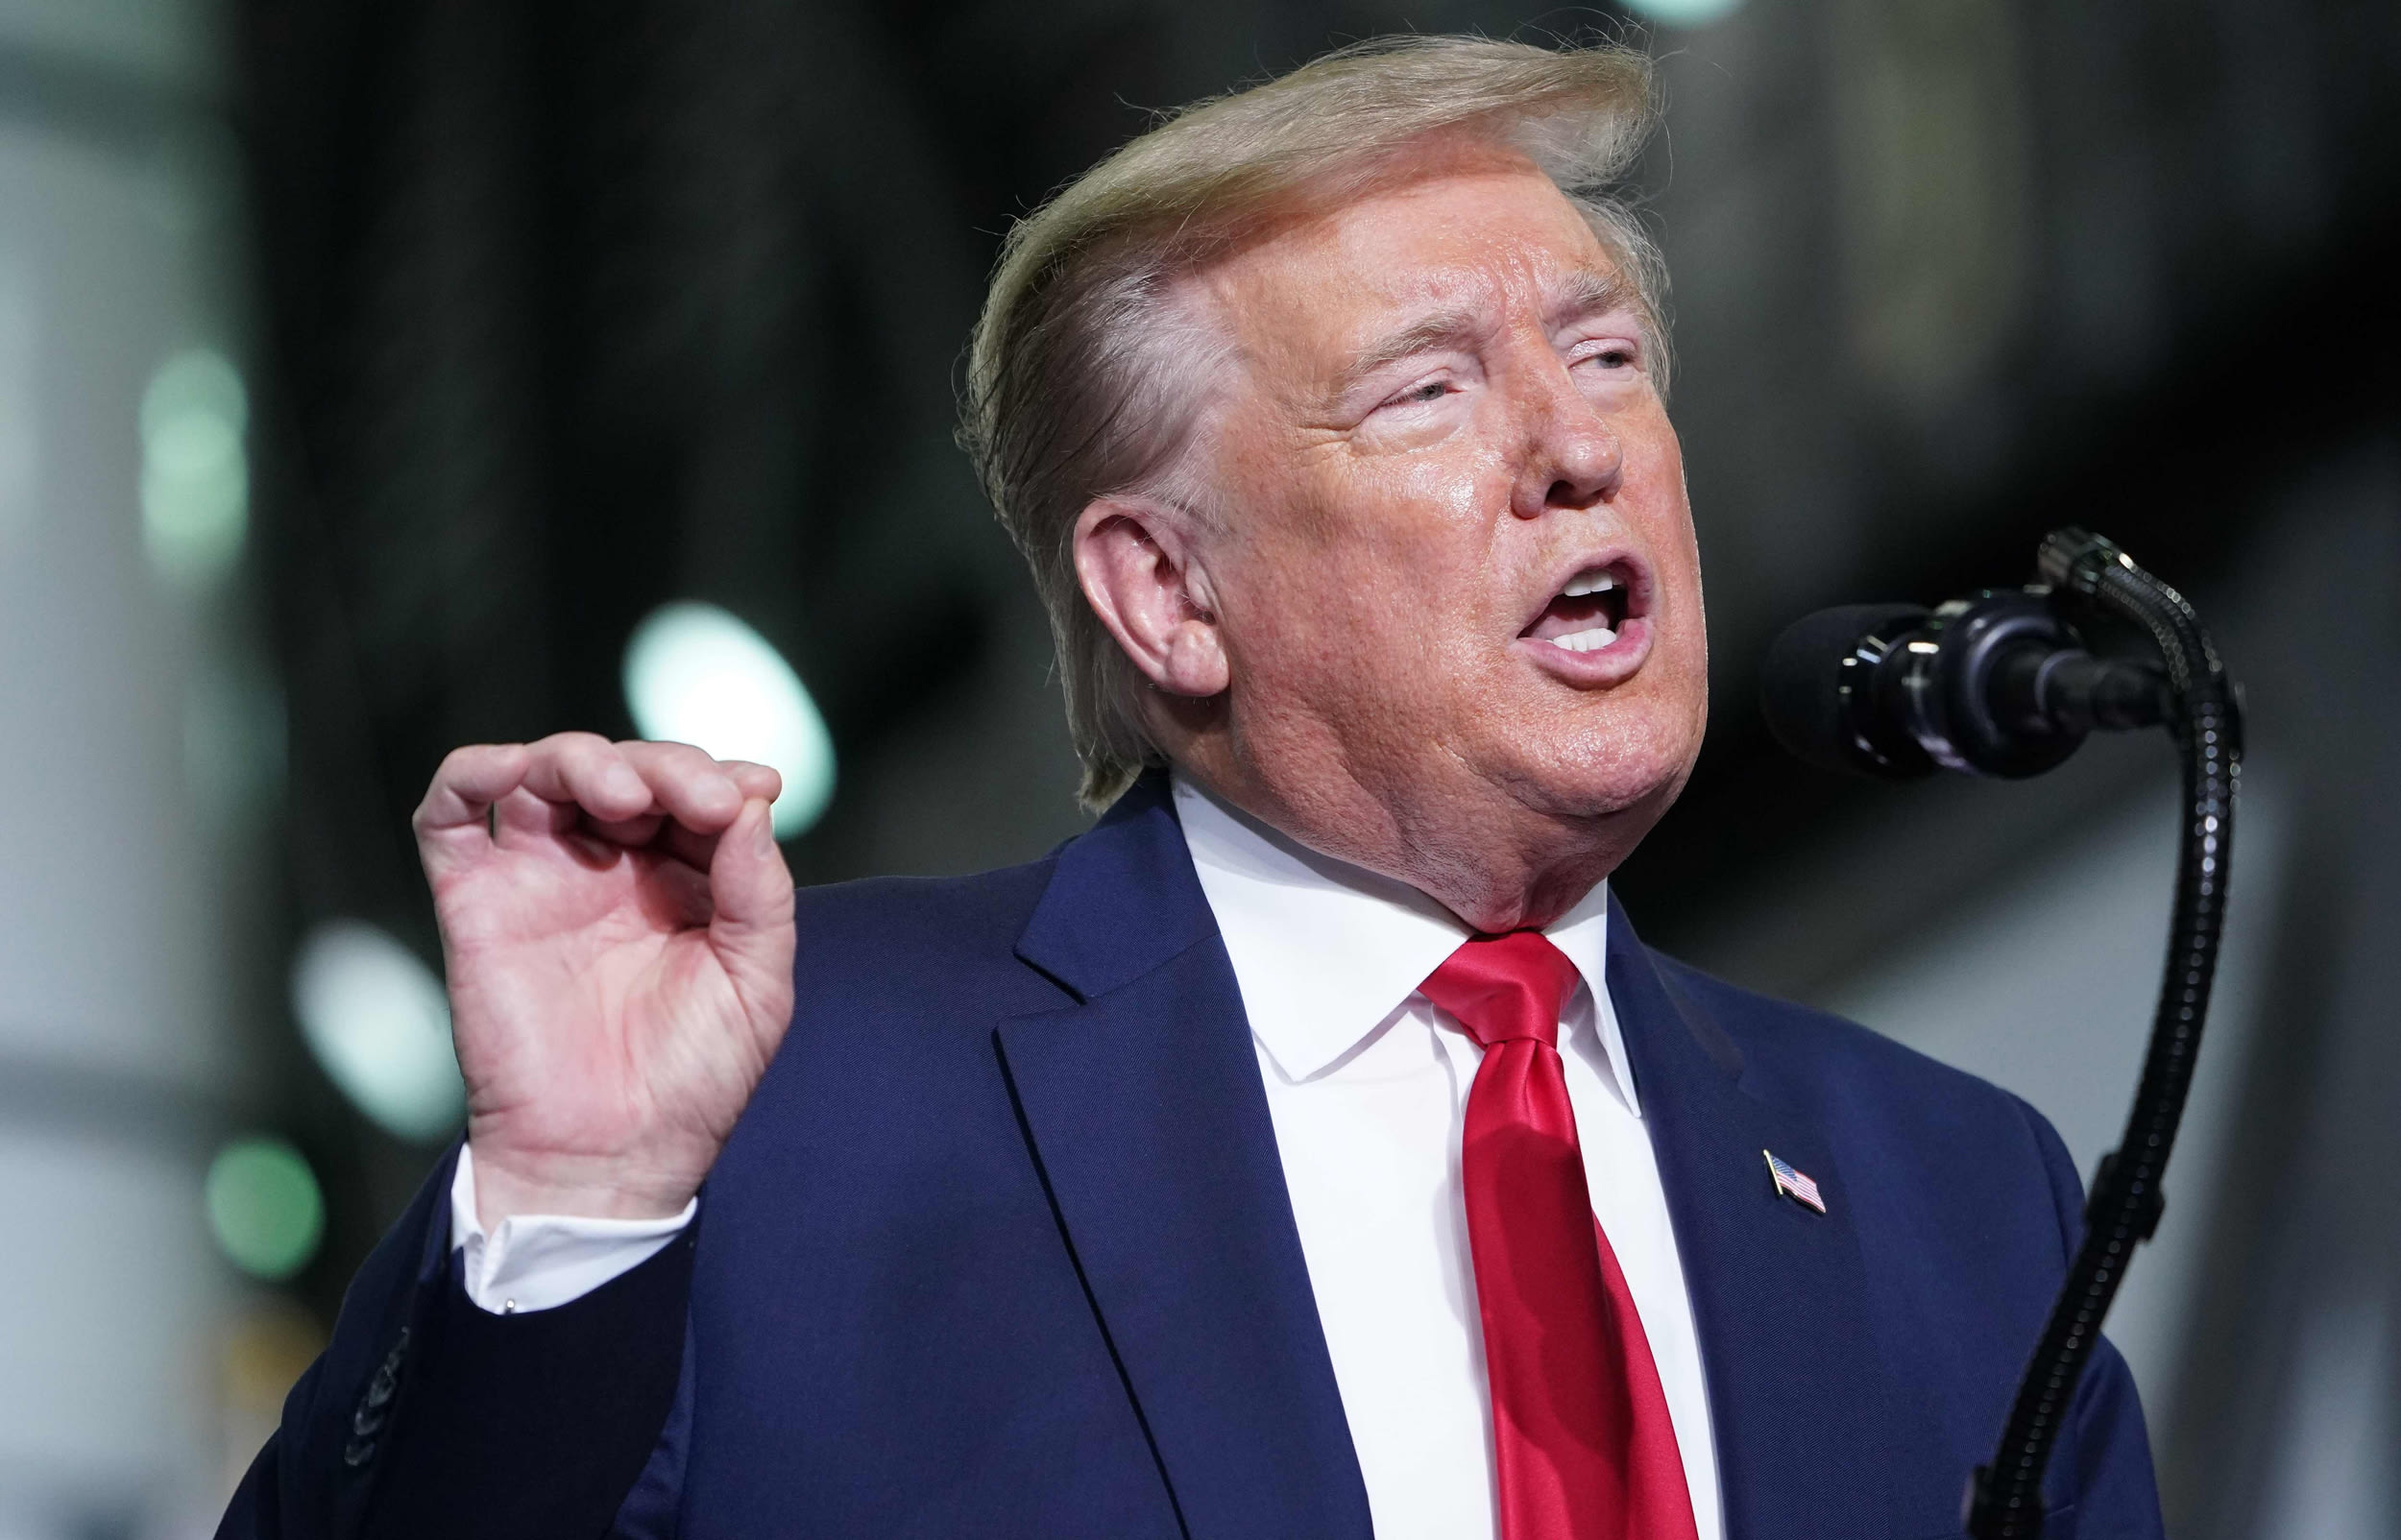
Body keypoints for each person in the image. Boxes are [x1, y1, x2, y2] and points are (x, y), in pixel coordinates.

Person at [220, 35, 2164, 1540]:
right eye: (1426, 388)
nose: (1577, 444)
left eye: (1603, 353)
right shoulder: (782, 1098)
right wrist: (569, 1216)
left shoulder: (1955, 1202)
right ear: (1165, 592)